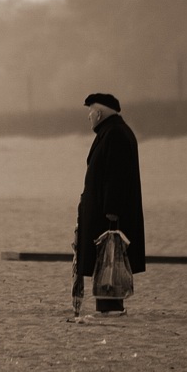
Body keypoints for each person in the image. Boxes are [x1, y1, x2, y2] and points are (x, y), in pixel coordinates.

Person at [74, 93, 145, 315]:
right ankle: (108, 305)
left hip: (108, 216)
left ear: (99, 113)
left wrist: (112, 213)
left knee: (108, 260)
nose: (88, 117)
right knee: (107, 262)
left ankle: (110, 306)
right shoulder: (114, 131)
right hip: (105, 212)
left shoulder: (114, 134)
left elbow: (115, 177)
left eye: (90, 112)